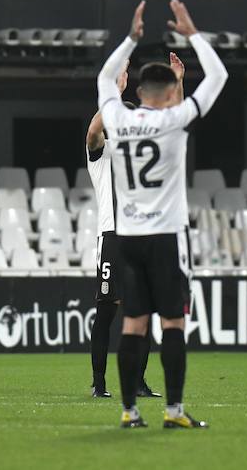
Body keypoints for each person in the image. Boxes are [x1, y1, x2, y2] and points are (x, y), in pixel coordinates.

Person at [98, 0, 227, 429]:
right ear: (171, 91)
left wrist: (131, 39)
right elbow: (220, 76)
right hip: (167, 236)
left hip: (127, 237)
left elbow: (103, 78)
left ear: (138, 92)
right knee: (172, 321)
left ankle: (129, 411)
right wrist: (191, 34)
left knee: (133, 323)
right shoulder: (175, 120)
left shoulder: (117, 118)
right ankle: (173, 411)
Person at [84, 61, 167, 398]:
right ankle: (100, 383)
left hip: (141, 238)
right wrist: (114, 97)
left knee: (144, 312)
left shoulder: (140, 158)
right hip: (114, 240)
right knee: (106, 312)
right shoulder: (101, 156)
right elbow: (92, 132)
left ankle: (139, 382)